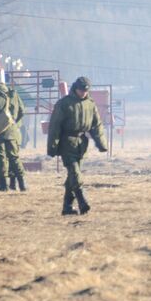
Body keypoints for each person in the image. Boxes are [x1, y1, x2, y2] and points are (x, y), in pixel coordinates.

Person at [47, 76, 108, 215]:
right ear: (75, 88)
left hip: (82, 143)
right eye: (81, 90)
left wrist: (101, 143)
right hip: (66, 142)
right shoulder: (64, 104)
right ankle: (82, 201)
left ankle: (67, 207)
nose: (83, 93)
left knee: (72, 176)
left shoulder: (90, 104)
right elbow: (55, 126)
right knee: (75, 172)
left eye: (86, 91)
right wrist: (52, 146)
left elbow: (96, 125)